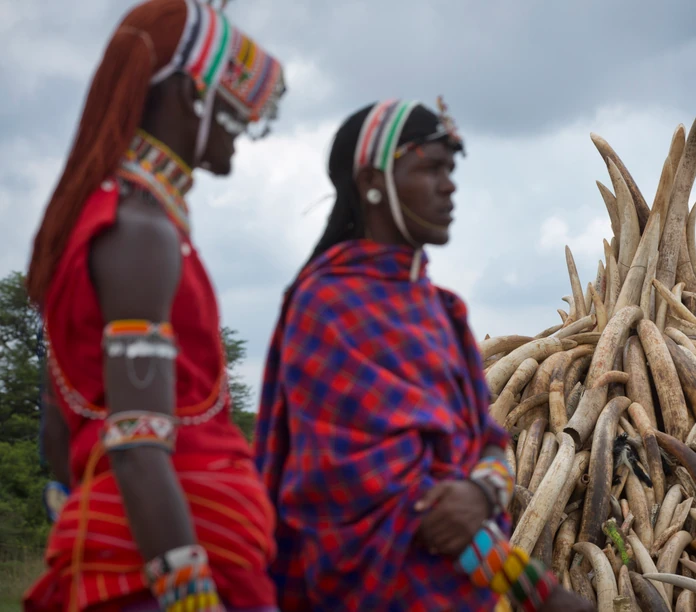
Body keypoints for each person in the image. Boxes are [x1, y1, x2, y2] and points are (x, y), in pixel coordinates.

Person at [253, 98, 591, 612]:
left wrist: (482, 493)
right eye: (431, 168)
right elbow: (398, 502)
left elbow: (486, 442)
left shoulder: (444, 311)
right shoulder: (327, 306)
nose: (449, 185)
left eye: (450, 169)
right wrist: (539, 593)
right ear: (373, 182)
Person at [22, 1, 287, 610]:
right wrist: (190, 594)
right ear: (190, 95)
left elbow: (58, 435)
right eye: (232, 105)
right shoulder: (138, 230)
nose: (241, 126)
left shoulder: (105, 220)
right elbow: (137, 440)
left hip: (144, 556)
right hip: (164, 575)